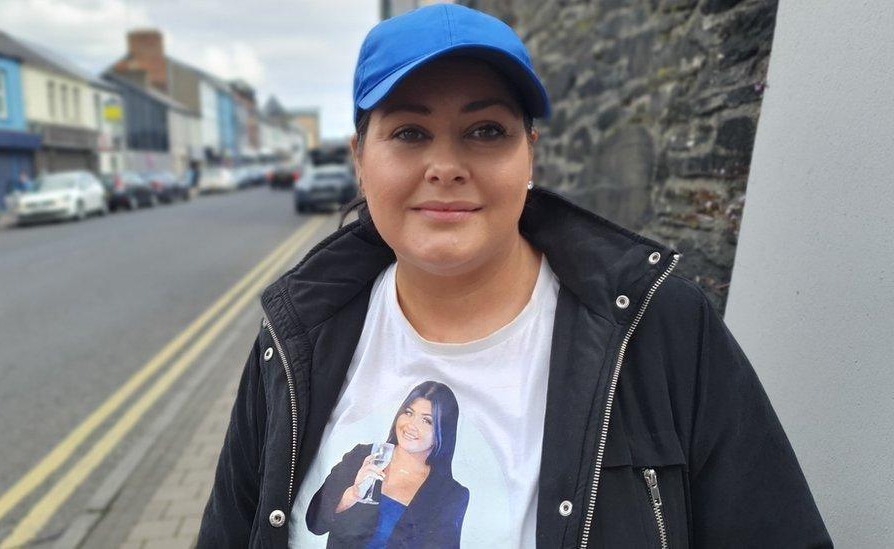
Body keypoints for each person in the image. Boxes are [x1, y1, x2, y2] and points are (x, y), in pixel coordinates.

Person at [198, 4, 832, 548]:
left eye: (486, 131)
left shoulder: (659, 328)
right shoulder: (295, 338)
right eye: (410, 132)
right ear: (361, 159)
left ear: (531, 153)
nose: (445, 165)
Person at [305, 381, 468, 548]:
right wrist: (352, 494)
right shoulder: (362, 456)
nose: (411, 425)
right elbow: (314, 523)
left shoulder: (451, 495)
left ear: (443, 431)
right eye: (408, 412)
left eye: (427, 421)